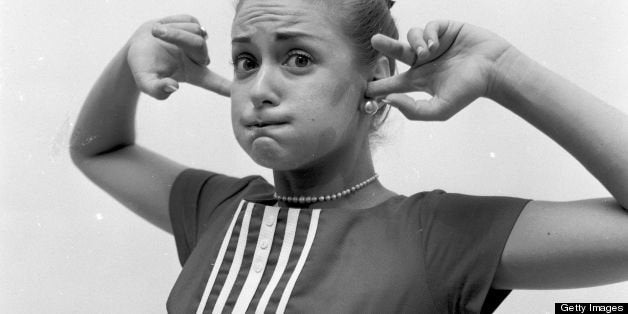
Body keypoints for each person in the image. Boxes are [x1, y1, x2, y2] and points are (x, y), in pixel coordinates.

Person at [70, 0, 628, 313]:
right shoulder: (217, 210)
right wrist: (133, 54)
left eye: (297, 59)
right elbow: (99, 150)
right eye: (245, 60)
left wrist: (506, 70)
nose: (259, 87)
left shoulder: (437, 237)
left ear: (377, 76)